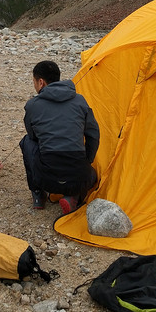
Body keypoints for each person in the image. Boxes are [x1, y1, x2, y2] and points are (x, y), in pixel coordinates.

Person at [20, 60, 100, 215]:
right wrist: (87, 161)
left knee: (27, 141)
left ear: (41, 82)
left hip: (46, 179)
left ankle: (38, 194)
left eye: (34, 82)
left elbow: (33, 136)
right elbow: (93, 135)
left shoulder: (32, 105)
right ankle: (73, 195)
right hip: (79, 177)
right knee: (91, 176)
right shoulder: (80, 101)